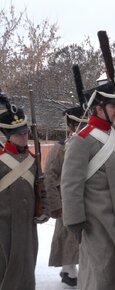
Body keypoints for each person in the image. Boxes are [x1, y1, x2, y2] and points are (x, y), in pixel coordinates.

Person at [60, 78, 115, 290]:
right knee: (99, 276)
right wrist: (75, 221)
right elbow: (70, 184)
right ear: (98, 108)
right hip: (94, 223)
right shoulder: (80, 140)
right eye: (112, 106)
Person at [0, 95, 48, 290]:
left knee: (26, 270)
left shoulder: (33, 159)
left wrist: (45, 209)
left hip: (27, 226)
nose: (24, 136)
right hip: (3, 226)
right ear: (8, 135)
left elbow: (41, 189)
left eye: (25, 132)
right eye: (19, 134)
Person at [45, 106, 87, 287]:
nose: (82, 127)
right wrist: (55, 204)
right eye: (78, 124)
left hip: (83, 197)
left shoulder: (87, 143)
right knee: (67, 238)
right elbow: (49, 176)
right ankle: (69, 270)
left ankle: (72, 269)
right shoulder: (60, 148)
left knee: (80, 238)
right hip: (64, 199)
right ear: (70, 126)